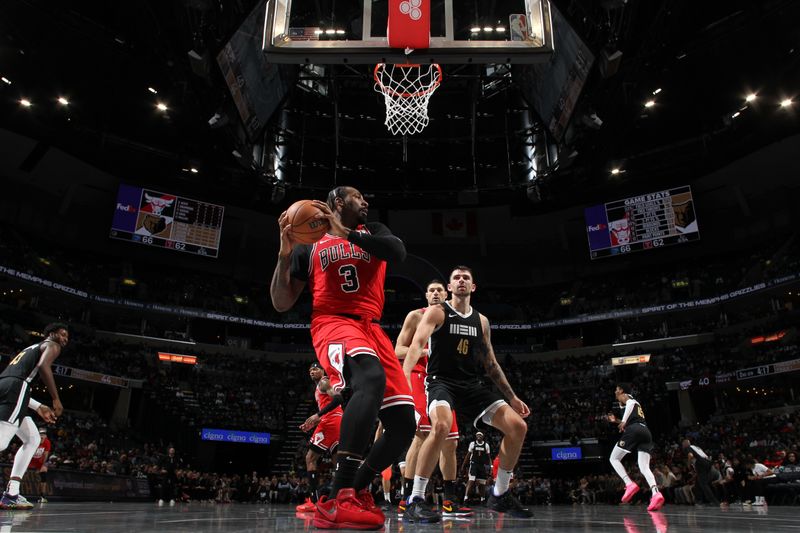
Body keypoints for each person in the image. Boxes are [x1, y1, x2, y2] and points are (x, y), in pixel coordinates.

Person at [270, 186, 416, 530]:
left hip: (373, 328)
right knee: (369, 379)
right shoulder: (309, 246)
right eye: (357, 196)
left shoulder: (373, 231)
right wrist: (284, 252)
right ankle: (337, 498)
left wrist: (344, 232)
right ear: (338, 202)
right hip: (333, 322)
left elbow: (397, 253)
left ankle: (356, 489)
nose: (365, 201)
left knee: (402, 424)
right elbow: (280, 301)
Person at [402, 266, 533, 522]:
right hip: (441, 382)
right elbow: (416, 345)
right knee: (440, 427)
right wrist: (405, 381)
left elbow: (491, 364)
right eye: (456, 278)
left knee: (518, 427)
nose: (461, 281)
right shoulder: (437, 312)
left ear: (473, 287)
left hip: (471, 385)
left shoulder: (481, 321)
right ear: (449, 287)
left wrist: (512, 397)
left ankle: (500, 494)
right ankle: (415, 499)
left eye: (466, 278)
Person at [394, 279, 469, 517]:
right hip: (419, 375)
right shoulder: (416, 316)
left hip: (444, 379)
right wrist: (426, 350)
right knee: (423, 433)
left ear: (446, 293)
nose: (436, 293)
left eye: (439, 290)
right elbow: (398, 350)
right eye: (432, 290)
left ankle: (449, 500)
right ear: (426, 295)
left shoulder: (452, 317)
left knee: (451, 441)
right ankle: (408, 498)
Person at [0, 323, 64, 510]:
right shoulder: (52, 345)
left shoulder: (30, 347)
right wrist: (55, 398)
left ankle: (12, 493)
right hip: (16, 388)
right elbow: (43, 366)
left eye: (67, 336)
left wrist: (38, 407)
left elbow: (15, 383)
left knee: (33, 438)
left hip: (7, 385)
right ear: (51, 334)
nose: (65, 339)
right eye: (62, 334)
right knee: (2, 443)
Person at [606, 383, 664, 511]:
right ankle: (656, 493)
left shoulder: (629, 399)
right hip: (645, 432)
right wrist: (616, 421)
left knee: (613, 459)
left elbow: (630, 407)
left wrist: (623, 421)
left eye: (616, 389)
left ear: (621, 390)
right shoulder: (628, 406)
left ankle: (629, 483)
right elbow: (628, 419)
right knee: (644, 467)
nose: (615, 391)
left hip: (635, 429)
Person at [296, 362, 343, 513]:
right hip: (338, 421)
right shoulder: (320, 386)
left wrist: (318, 415)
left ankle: (314, 501)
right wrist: (313, 421)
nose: (312, 371)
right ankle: (338, 499)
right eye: (310, 369)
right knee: (337, 462)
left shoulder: (324, 382)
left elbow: (338, 399)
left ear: (322, 371)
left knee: (310, 458)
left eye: (315, 369)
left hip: (330, 422)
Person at [681, 438, 719, 505]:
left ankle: (714, 501)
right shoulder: (696, 447)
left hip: (701, 465)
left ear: (685, 444)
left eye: (682, 445)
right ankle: (699, 500)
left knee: (703, 484)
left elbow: (690, 455)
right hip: (708, 463)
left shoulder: (688, 448)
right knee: (699, 483)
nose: (682, 446)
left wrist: (688, 464)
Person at [460, 431, 491, 504]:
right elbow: (468, 455)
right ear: (476, 436)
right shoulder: (473, 444)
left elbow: (488, 457)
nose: (479, 436)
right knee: (471, 480)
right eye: (477, 435)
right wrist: (463, 465)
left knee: (482, 483)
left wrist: (490, 466)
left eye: (480, 435)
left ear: (483, 436)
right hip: (474, 464)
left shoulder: (486, 445)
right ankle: (466, 499)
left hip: (482, 465)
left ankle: (482, 500)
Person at [28, 427, 51, 503]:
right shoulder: (34, 441)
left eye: (43, 434)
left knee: (43, 473)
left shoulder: (47, 442)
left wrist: (41, 466)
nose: (42, 436)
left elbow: (46, 455)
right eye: (40, 434)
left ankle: (42, 496)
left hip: (40, 461)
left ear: (46, 436)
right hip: (30, 460)